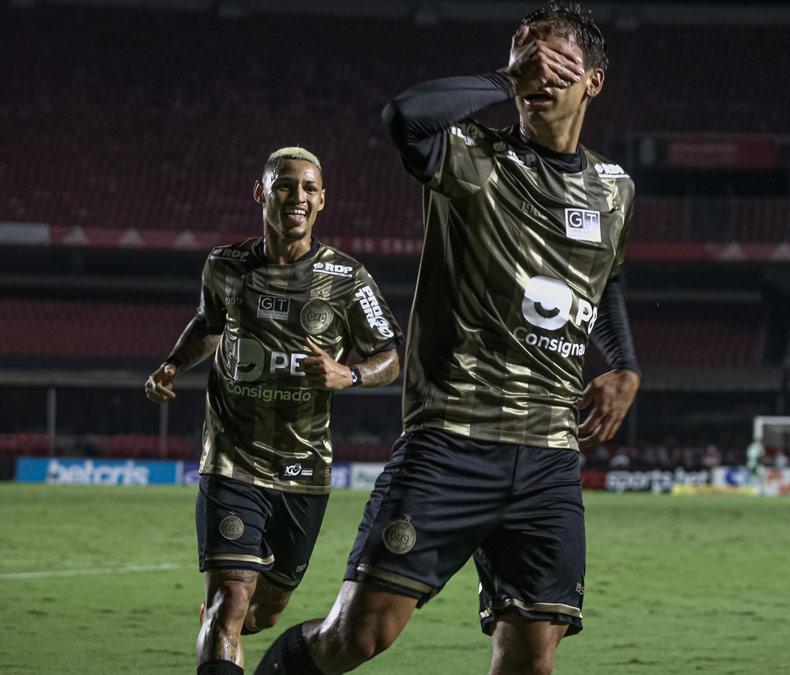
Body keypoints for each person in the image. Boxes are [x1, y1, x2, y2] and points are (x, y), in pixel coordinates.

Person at [254, 4, 640, 674]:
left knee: (531, 657)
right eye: (528, 54)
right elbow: (403, 117)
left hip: (549, 456)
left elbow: (606, 281)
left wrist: (626, 365)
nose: (539, 68)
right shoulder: (473, 158)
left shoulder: (614, 188)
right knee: (359, 635)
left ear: (594, 81)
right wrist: (504, 76)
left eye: (555, 58)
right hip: (453, 440)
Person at [144, 147, 401, 675]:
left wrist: (348, 374)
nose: (297, 197)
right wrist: (173, 364)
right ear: (261, 193)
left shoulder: (347, 278)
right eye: (285, 186)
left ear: (323, 200)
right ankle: (221, 620)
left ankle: (227, 622)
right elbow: (207, 324)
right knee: (231, 604)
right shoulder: (225, 265)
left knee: (266, 609)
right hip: (232, 459)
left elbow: (391, 355)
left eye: (308, 188)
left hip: (303, 469)